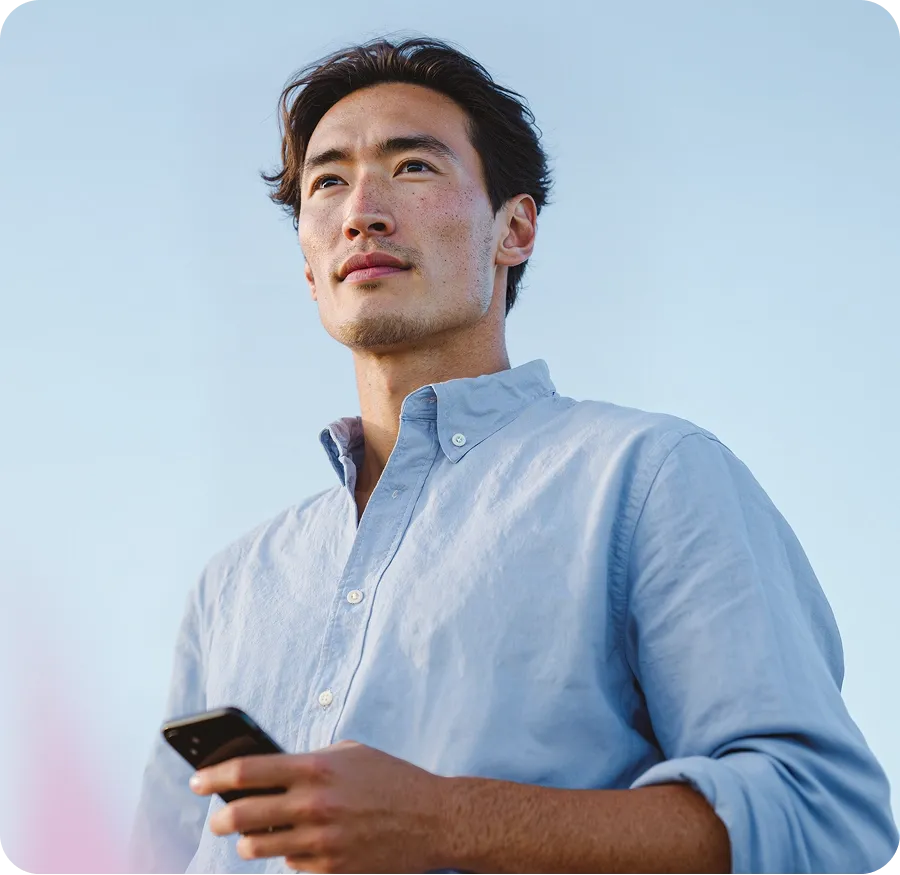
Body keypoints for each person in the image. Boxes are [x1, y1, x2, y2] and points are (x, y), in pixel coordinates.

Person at [128, 35, 899, 875]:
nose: (362, 211)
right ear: (311, 269)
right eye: (327, 182)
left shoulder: (649, 478)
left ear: (515, 229)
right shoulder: (233, 586)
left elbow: (825, 822)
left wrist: (444, 818)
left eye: (413, 167)